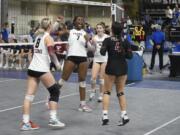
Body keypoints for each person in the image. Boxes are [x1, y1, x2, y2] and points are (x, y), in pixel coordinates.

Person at [20, 18, 65, 131]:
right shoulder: (48, 37)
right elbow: (51, 52)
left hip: (32, 68)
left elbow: (53, 29)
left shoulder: (38, 36)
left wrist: (57, 22)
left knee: (29, 96)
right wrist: (58, 65)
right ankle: (53, 119)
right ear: (49, 26)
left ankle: (26, 123)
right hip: (42, 69)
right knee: (55, 91)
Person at [57, 16, 95, 112]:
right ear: (74, 22)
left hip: (83, 58)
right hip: (71, 57)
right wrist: (59, 24)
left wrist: (88, 40)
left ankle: (82, 105)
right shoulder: (70, 31)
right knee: (63, 79)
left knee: (82, 81)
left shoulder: (85, 34)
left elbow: (91, 48)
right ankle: (51, 98)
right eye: (78, 20)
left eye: (82, 20)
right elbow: (57, 33)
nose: (80, 21)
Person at [100, 22, 132, 126]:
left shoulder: (107, 40)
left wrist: (104, 47)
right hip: (123, 68)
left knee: (107, 92)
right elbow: (130, 56)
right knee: (120, 92)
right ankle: (124, 115)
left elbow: (102, 52)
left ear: (112, 30)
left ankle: (105, 116)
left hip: (111, 68)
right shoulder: (125, 41)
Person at [89, 23, 109, 102]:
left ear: (104, 29)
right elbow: (92, 49)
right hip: (96, 59)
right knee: (93, 78)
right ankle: (93, 90)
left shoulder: (107, 38)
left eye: (100, 28)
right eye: (97, 28)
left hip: (104, 59)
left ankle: (101, 94)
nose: (99, 29)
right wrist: (89, 44)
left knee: (101, 78)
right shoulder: (94, 38)